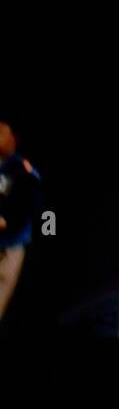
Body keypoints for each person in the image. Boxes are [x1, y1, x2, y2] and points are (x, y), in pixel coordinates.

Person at [0, 118, 41, 322]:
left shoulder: (23, 170)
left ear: (13, 139)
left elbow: (27, 208)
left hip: (10, 246)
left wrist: (6, 223)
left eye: (1, 134)